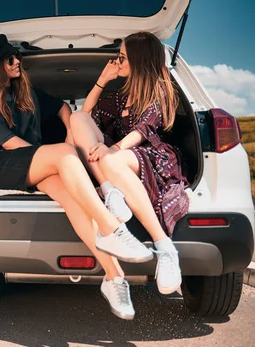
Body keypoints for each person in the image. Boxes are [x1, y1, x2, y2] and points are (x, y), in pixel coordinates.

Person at [0, 34, 153, 320]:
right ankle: (113, 230)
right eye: (11, 59)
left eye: (18, 57)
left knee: (72, 197)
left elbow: (64, 108)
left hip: (32, 166)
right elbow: (7, 143)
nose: (18, 61)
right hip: (1, 164)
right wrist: (54, 153)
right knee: (63, 156)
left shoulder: (27, 93)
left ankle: (114, 278)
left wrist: (69, 131)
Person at [69, 31, 190, 296]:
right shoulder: (121, 96)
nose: (117, 61)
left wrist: (111, 148)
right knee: (77, 119)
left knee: (112, 159)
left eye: (122, 57)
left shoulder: (159, 90)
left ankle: (165, 246)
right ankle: (111, 190)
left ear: (138, 59)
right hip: (117, 161)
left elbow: (144, 131)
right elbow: (86, 116)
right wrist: (103, 79)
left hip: (150, 155)